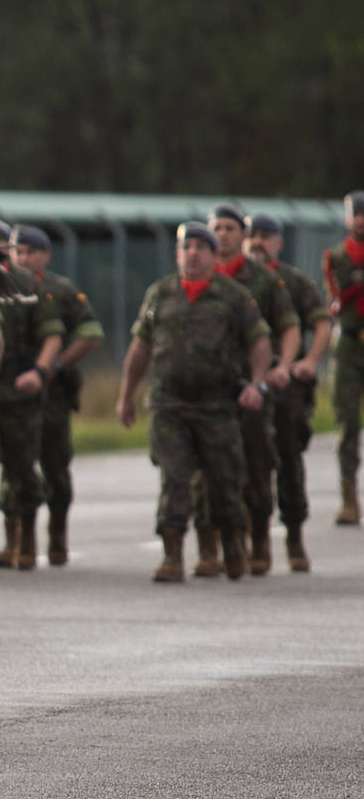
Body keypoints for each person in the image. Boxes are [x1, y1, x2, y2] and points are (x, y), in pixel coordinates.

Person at [115, 222, 272, 582]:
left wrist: (257, 384)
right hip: (170, 405)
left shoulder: (232, 296)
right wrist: (126, 396)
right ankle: (172, 556)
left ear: (215, 256)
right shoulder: (161, 294)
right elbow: (141, 346)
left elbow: (259, 341)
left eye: (202, 247)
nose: (194, 253)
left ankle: (232, 545)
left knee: (224, 483)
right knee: (174, 478)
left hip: (217, 407)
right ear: (177, 253)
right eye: (187, 247)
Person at [191, 205, 299, 576]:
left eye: (230, 228)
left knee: (256, 465)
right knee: (203, 472)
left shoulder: (263, 280)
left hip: (250, 387)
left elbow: (287, 325)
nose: (221, 234)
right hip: (207, 391)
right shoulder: (193, 278)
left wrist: (281, 367)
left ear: (242, 233)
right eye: (215, 228)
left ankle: (259, 542)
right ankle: (209, 548)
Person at [0, 214, 63, 571]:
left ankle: (23, 539)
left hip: (19, 394)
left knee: (22, 469)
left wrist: (40, 370)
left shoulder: (26, 283)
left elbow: (52, 333)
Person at [9, 225, 105, 565]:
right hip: (13, 393)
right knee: (17, 466)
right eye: (17, 251)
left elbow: (91, 333)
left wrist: (56, 366)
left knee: (55, 466)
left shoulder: (59, 291)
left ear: (45, 255)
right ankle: (22, 538)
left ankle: (58, 534)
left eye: (30, 252)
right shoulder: (1, 290)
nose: (23, 258)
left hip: (51, 395)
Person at [245, 213, 331, 571]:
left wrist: (308, 361)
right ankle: (257, 541)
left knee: (288, 458)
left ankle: (294, 537)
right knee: (252, 462)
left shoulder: (292, 282)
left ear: (278, 242)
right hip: (248, 383)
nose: (257, 242)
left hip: (285, 386)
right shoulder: (234, 283)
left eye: (266, 236)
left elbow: (320, 322)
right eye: (253, 235)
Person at [322, 190, 364, 525]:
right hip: (350, 344)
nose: (361, 220)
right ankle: (349, 498)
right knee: (347, 422)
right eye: (356, 214)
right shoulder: (337, 257)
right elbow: (336, 296)